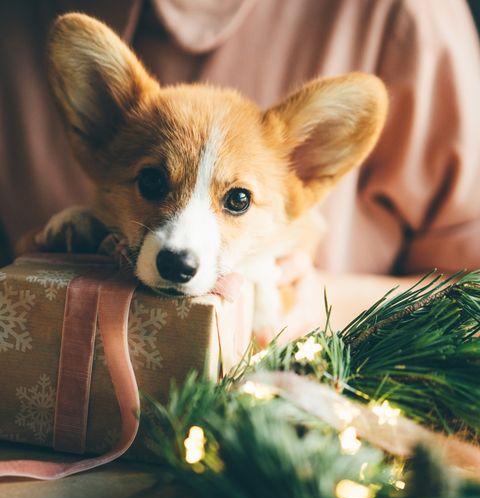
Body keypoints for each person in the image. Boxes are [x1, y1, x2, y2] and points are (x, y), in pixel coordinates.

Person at [1, 0, 480, 340]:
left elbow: (468, 298)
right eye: (152, 181)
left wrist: (308, 299)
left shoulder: (408, 13)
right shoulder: (17, 18)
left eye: (237, 200)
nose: (180, 244)